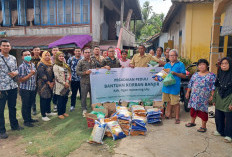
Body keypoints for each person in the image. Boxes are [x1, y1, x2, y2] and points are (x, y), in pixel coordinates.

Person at [0, 39, 23, 139]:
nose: (6, 47)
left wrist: (15, 73)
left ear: (10, 47)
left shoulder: (13, 58)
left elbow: (17, 69)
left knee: (12, 107)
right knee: (0, 110)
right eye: (4, 45)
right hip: (2, 88)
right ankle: (2, 130)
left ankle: (14, 125)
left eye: (7, 46)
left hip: (13, 86)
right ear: (0, 47)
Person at [185, 59, 216, 132]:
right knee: (193, 109)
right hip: (194, 96)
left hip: (204, 98)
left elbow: (213, 87)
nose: (201, 66)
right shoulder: (195, 74)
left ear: (207, 65)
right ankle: (192, 122)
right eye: (199, 65)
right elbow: (190, 84)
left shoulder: (211, 75)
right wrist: (187, 92)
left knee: (203, 111)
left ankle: (203, 126)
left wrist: (212, 96)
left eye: (203, 64)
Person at [162, 49, 186, 124]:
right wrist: (157, 77)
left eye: (173, 55)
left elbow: (184, 76)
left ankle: (177, 118)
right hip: (166, 87)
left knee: (176, 103)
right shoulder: (167, 65)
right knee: (168, 102)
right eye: (170, 55)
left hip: (174, 87)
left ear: (176, 56)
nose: (171, 57)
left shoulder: (180, 64)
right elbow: (163, 75)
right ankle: (168, 115)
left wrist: (175, 73)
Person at [212, 57, 232, 143]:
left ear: (230, 64)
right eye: (222, 64)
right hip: (220, 96)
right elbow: (217, 86)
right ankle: (220, 130)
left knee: (229, 117)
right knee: (218, 115)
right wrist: (214, 98)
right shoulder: (220, 73)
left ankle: (229, 135)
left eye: (226, 63)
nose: (223, 65)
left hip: (229, 97)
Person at [76, 48, 100, 117]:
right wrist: (85, 72)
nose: (87, 54)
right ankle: (84, 109)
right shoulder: (81, 61)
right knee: (83, 96)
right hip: (84, 82)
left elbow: (99, 66)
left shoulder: (93, 61)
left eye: (88, 52)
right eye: (86, 52)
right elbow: (77, 72)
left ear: (91, 53)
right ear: (83, 53)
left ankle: (93, 108)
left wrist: (98, 69)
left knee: (93, 96)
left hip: (93, 82)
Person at [18, 50, 39, 127]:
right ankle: (26, 121)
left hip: (32, 88)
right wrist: (30, 74)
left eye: (29, 54)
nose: (28, 56)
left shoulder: (32, 65)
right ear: (22, 57)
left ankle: (29, 118)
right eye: (25, 55)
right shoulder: (21, 67)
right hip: (25, 89)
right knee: (25, 105)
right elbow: (20, 80)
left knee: (30, 104)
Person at [37, 51, 57, 121]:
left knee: (49, 97)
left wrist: (53, 81)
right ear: (43, 56)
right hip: (43, 84)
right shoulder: (41, 64)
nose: (47, 57)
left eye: (48, 55)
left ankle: (48, 112)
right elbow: (42, 75)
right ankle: (43, 115)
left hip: (51, 84)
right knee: (44, 98)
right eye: (46, 55)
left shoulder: (51, 64)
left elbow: (54, 73)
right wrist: (49, 83)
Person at [53, 51, 71, 119]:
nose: (61, 57)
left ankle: (63, 112)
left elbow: (68, 73)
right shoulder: (55, 66)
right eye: (60, 56)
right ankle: (60, 113)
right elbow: (57, 77)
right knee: (60, 100)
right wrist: (64, 83)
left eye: (62, 56)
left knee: (65, 99)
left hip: (66, 84)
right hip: (60, 86)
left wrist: (67, 82)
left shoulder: (65, 64)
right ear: (57, 57)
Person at [67, 47, 82, 112]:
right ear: (74, 52)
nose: (78, 52)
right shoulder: (71, 59)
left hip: (82, 79)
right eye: (76, 51)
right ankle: (72, 106)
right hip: (73, 79)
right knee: (74, 94)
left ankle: (83, 106)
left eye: (79, 51)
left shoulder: (83, 59)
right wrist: (69, 77)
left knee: (82, 94)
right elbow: (68, 69)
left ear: (81, 52)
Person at [31, 46, 41, 115]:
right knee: (33, 95)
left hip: (41, 80)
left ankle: (43, 108)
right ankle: (34, 109)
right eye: (35, 50)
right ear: (33, 51)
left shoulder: (42, 59)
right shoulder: (30, 59)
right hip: (32, 80)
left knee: (42, 95)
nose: (37, 51)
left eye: (38, 50)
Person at [51, 46, 60, 112]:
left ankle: (60, 104)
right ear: (52, 51)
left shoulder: (62, 58)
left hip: (60, 78)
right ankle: (55, 105)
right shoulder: (50, 59)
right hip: (52, 78)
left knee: (60, 91)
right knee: (54, 92)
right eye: (54, 50)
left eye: (57, 50)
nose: (55, 51)